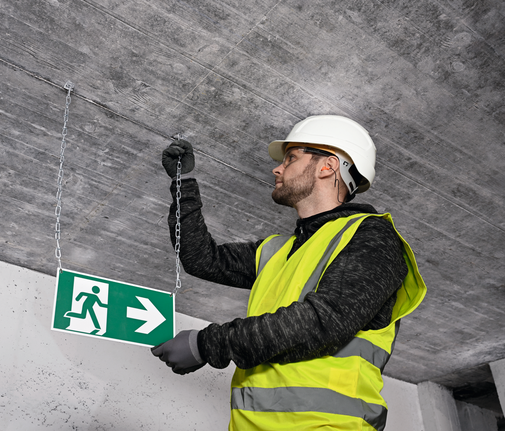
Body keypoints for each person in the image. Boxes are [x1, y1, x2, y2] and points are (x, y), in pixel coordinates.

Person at [151, 115, 427, 431]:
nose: (277, 169)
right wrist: (182, 183)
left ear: (329, 166)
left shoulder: (372, 237)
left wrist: (204, 345)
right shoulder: (276, 251)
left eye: (291, 158)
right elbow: (201, 259)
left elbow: (323, 323)